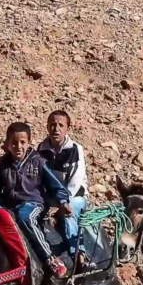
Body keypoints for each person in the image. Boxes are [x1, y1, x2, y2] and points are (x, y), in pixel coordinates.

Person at [0, 121, 71, 279]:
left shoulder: (38, 162)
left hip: (33, 203)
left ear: (29, 143)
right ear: (7, 144)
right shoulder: (2, 164)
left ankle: (50, 259)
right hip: (7, 205)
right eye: (14, 143)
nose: (18, 147)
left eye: (22, 142)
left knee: (25, 217)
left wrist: (63, 202)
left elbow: (57, 186)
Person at [38, 109, 89, 269]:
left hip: (74, 196)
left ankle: (79, 254)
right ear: (47, 127)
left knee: (69, 212)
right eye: (52, 124)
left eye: (61, 125)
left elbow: (75, 181)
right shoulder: (41, 149)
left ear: (68, 128)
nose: (56, 129)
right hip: (53, 198)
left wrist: (62, 202)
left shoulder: (75, 149)